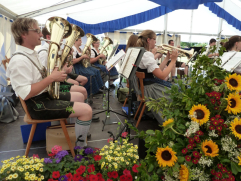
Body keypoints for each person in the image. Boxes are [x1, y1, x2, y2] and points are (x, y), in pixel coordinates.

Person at [7, 18, 92, 147]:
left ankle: (73, 131)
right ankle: (81, 147)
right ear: (23, 34)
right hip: (39, 105)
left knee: (80, 96)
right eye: (36, 31)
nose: (41, 34)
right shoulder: (19, 60)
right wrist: (51, 78)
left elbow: (42, 77)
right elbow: (26, 93)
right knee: (86, 110)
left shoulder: (30, 54)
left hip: (44, 97)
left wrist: (58, 72)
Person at [135, 30, 178, 124]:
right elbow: (162, 76)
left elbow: (157, 71)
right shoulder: (146, 55)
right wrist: (173, 61)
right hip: (150, 89)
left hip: (146, 87)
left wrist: (167, 58)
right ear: (148, 40)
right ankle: (173, 120)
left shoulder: (142, 53)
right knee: (177, 92)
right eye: (154, 39)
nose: (155, 42)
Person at [38, 27, 88, 100]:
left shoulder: (56, 49)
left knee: (81, 88)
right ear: (49, 37)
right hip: (52, 86)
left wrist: (67, 57)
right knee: (81, 90)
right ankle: (76, 105)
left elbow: (58, 66)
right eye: (60, 36)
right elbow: (46, 76)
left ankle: (78, 104)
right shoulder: (44, 53)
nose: (62, 39)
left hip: (57, 81)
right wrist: (64, 71)